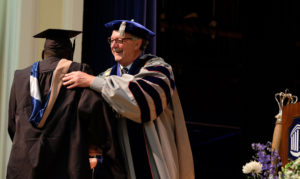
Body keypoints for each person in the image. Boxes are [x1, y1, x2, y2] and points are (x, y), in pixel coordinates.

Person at [62, 20, 195, 179]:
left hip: (153, 163)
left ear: (138, 43)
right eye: (111, 41)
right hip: (116, 167)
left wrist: (91, 81)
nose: (113, 46)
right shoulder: (105, 77)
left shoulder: (159, 70)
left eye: (120, 40)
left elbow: (140, 102)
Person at [7, 29, 125, 179]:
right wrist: (95, 146)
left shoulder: (20, 77)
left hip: (23, 169)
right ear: (69, 54)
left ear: (44, 54)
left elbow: (12, 126)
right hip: (68, 166)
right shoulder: (78, 74)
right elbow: (96, 117)